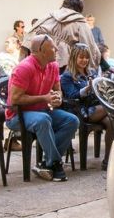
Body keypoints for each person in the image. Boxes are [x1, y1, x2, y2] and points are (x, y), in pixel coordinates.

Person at [6, 34, 78, 182]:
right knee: (43, 119)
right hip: (17, 115)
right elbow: (15, 99)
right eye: (52, 47)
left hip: (42, 111)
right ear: (41, 51)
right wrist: (44, 98)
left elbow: (57, 89)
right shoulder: (24, 68)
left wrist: (57, 98)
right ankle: (56, 163)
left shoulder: (53, 66)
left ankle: (47, 163)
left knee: (72, 120)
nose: (56, 49)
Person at [60, 42, 114, 169]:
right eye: (81, 57)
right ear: (74, 58)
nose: (84, 60)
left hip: (95, 108)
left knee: (111, 121)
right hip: (78, 110)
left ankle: (107, 161)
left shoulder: (92, 72)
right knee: (111, 108)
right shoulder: (67, 76)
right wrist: (87, 89)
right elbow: (71, 96)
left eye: (86, 57)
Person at [30, 0, 100, 72]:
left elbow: (27, 41)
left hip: (37, 64)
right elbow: (90, 49)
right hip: (65, 68)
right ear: (79, 10)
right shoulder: (81, 24)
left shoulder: (47, 18)